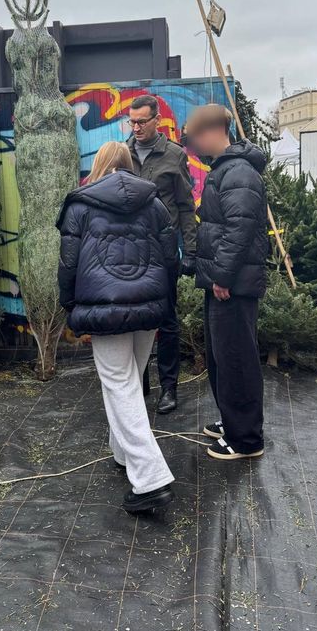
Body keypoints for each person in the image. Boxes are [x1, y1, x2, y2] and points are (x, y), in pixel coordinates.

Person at [57, 140, 179, 512]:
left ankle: (150, 478)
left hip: (103, 309)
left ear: (99, 165)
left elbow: (68, 264)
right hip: (148, 307)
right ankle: (123, 453)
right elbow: (170, 257)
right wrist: (165, 301)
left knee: (120, 385)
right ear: (128, 164)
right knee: (130, 381)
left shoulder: (80, 205)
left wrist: (69, 305)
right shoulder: (154, 203)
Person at [185, 104, 268, 461]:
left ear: (214, 131)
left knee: (236, 358)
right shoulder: (227, 169)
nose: (195, 147)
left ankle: (246, 439)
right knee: (223, 356)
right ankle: (232, 421)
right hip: (225, 281)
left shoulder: (238, 172)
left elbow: (240, 228)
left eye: (195, 139)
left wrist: (222, 276)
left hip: (232, 284)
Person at [126, 94, 197, 414]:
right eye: (132, 121)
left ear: (157, 121)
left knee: (167, 321)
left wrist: (191, 250)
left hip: (164, 250)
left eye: (142, 121)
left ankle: (170, 388)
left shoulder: (173, 155)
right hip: (130, 252)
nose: (136, 127)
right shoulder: (122, 154)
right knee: (135, 320)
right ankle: (140, 384)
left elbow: (185, 206)